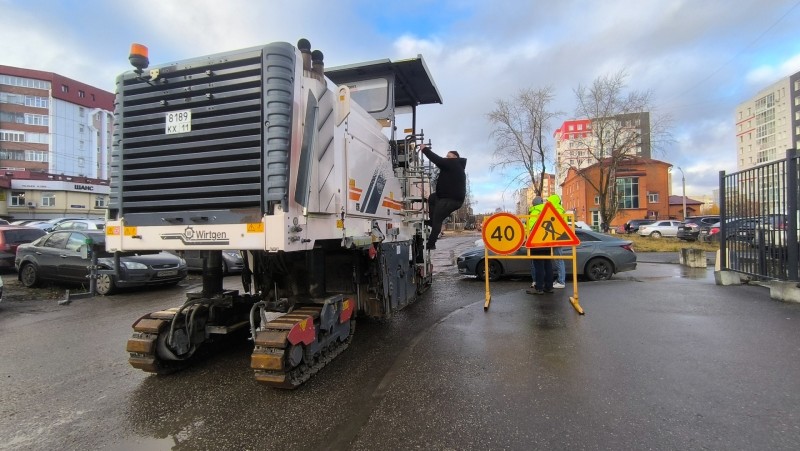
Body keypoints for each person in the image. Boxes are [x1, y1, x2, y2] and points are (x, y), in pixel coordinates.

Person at [419, 144, 467, 250]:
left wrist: (424, 149)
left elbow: (437, 160)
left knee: (438, 218)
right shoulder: (454, 166)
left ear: (455, 157)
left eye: (448, 156)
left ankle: (431, 244)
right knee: (432, 198)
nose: (446, 158)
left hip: (452, 200)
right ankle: (432, 222)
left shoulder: (454, 164)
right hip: (444, 197)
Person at [525, 196, 553, 295]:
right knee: (548, 265)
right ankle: (549, 287)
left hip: (536, 243)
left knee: (539, 266)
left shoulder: (534, 213)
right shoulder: (548, 211)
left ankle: (539, 288)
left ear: (534, 204)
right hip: (547, 242)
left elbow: (530, 228)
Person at [547, 193, 567, 289]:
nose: (547, 203)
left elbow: (555, 225)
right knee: (558, 259)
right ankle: (560, 280)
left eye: (549, 201)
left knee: (559, 260)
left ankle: (561, 281)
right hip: (557, 237)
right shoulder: (559, 209)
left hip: (557, 238)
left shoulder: (557, 211)